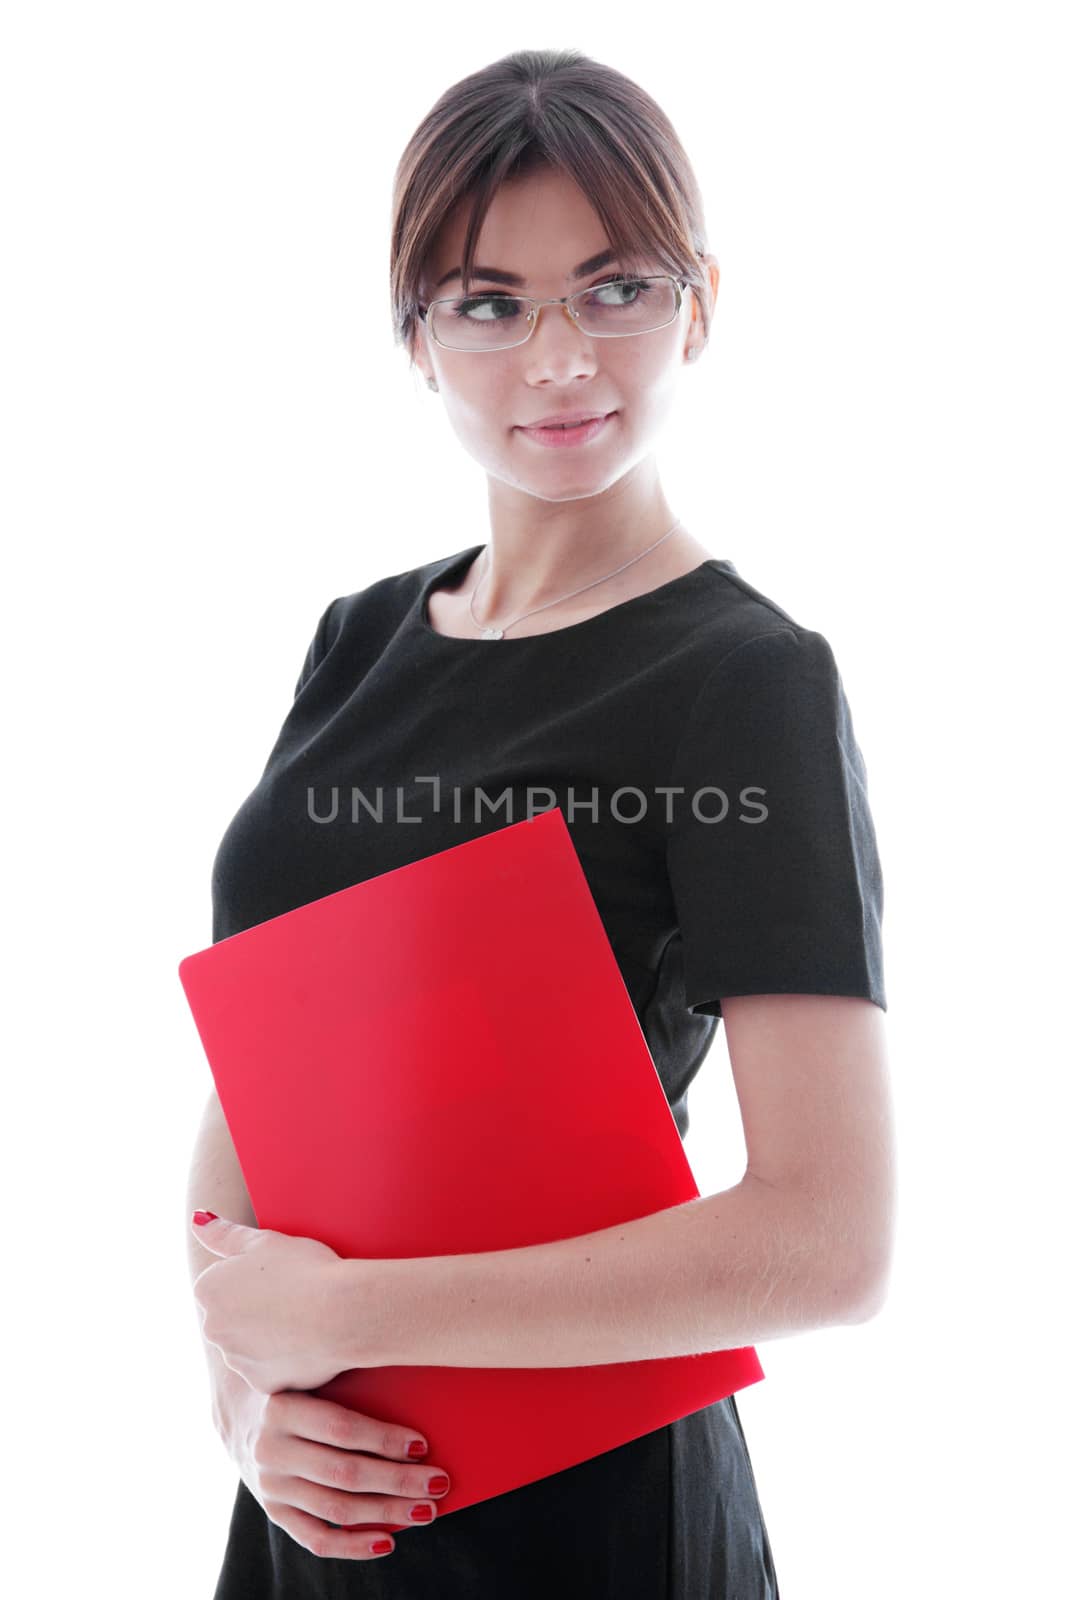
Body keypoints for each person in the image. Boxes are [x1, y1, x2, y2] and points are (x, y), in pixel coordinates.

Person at [186, 46, 894, 1599]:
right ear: (417, 334)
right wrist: (247, 1401)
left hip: (593, 1515)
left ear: (702, 302)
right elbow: (262, 1068)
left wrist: (347, 1320)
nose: (560, 358)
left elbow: (831, 1242)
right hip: (321, 1505)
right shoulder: (357, 639)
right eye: (490, 303)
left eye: (615, 286)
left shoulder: (746, 680)